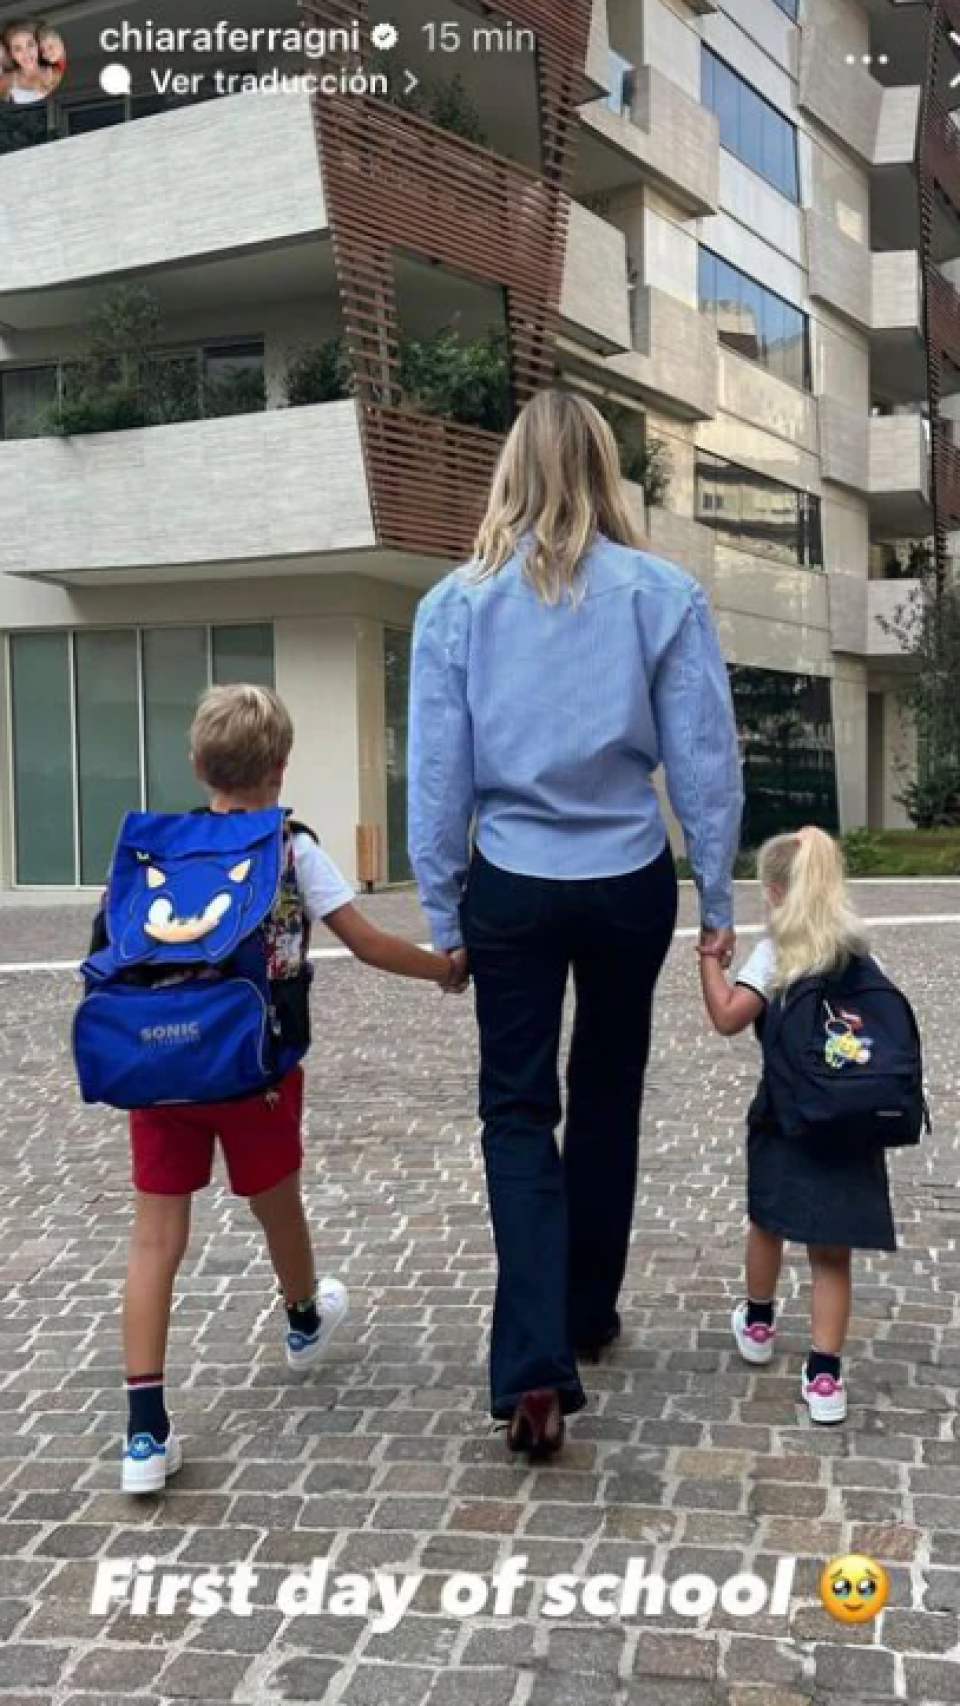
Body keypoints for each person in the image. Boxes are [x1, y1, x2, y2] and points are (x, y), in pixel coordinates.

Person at [408, 389, 743, 1458]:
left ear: (512, 471)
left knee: (516, 1110)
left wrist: (438, 906)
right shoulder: (665, 592)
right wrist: (719, 903)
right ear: (606, 472)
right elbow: (704, 761)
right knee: (607, 1092)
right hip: (627, 875)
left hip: (508, 874)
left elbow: (436, 776)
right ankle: (587, 1310)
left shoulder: (455, 604)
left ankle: (533, 1360)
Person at [114, 684, 463, 1493]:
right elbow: (367, 941)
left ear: (199, 763)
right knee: (277, 1199)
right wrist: (445, 969)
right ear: (280, 767)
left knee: (153, 1242)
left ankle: (142, 1434)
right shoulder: (290, 846)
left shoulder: (153, 847)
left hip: (159, 1066)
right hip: (252, 1065)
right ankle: (303, 1315)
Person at [698, 826, 897, 1425]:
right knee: (832, 1253)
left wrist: (710, 964)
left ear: (777, 892)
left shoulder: (775, 953)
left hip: (785, 1115)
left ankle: (758, 1322)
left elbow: (729, 1017)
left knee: (769, 1218)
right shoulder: (859, 952)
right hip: (849, 1120)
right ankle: (825, 1377)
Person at [3, 23, 53, 102]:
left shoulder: (54, 73)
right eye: (18, 49)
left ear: (38, 46)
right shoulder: (8, 80)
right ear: (11, 54)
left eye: (30, 45)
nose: (26, 53)